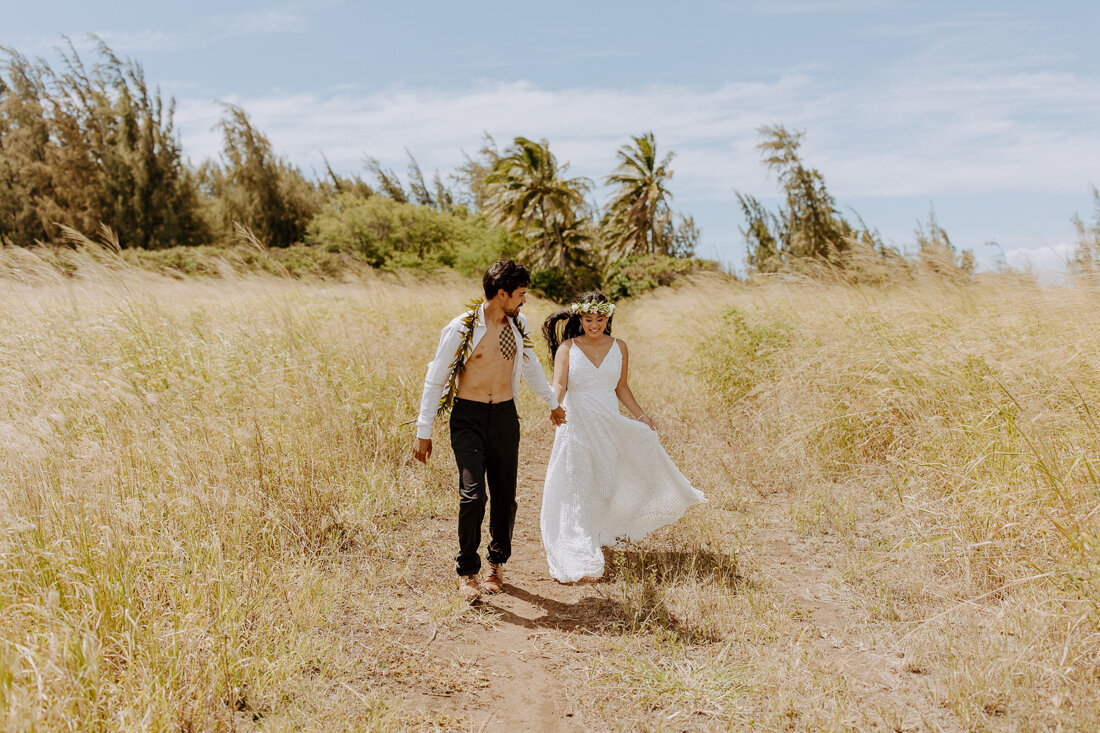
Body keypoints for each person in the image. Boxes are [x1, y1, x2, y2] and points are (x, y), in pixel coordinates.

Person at [414, 260, 566, 600]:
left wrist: (552, 404)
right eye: (521, 294)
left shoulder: (517, 324)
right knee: (472, 495)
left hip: (504, 417)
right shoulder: (462, 328)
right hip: (467, 417)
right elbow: (435, 378)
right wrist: (424, 431)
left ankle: (497, 564)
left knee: (503, 496)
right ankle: (468, 571)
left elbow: (530, 366)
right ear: (502, 293)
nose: (524, 301)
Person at [540, 292, 705, 583]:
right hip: (576, 423)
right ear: (580, 318)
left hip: (607, 423)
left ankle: (599, 531)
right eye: (589, 319)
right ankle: (579, 544)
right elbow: (560, 384)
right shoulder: (567, 348)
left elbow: (622, 388)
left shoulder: (620, 347)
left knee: (605, 483)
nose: (594, 325)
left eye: (600, 319)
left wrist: (641, 417)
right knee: (578, 483)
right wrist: (554, 407)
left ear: (608, 318)